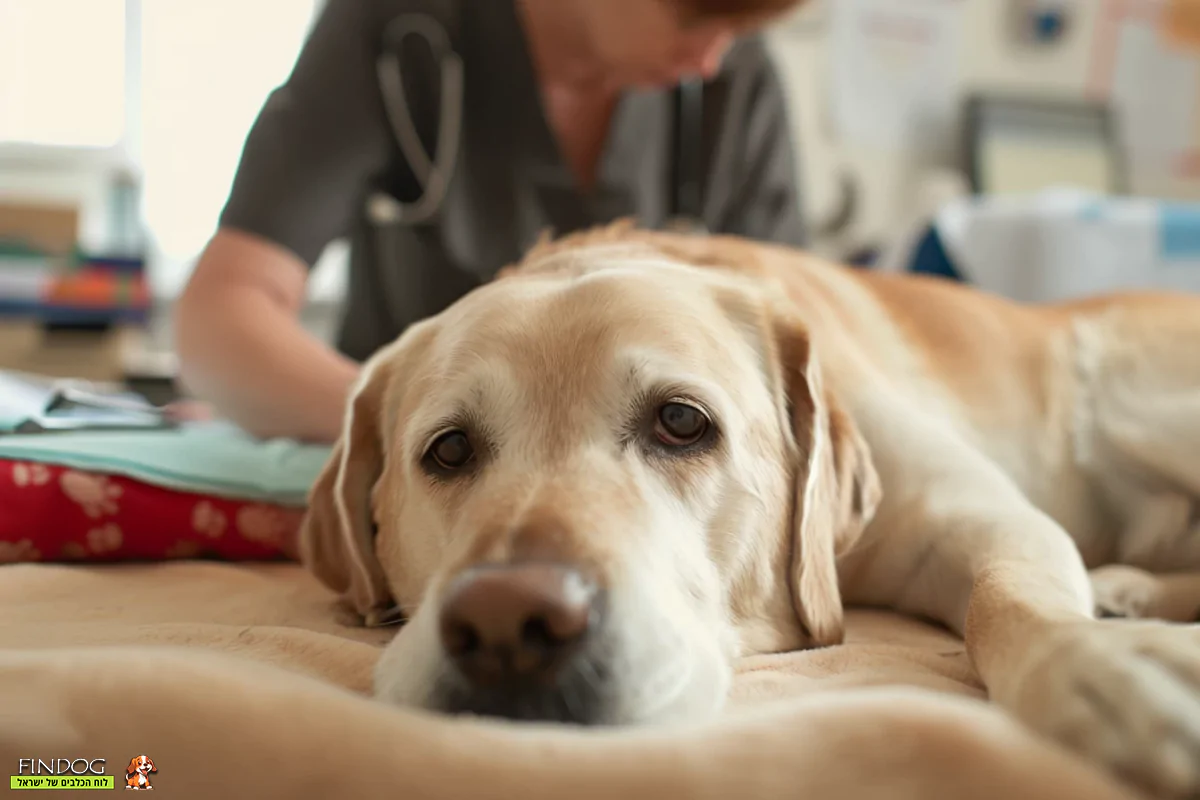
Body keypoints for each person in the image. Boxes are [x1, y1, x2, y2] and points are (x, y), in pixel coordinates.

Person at [175, 0, 810, 444]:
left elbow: (788, 354)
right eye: (694, 14)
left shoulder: (739, 82)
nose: (710, 60)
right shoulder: (395, 29)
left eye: (738, 26)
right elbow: (221, 316)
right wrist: (409, 424)